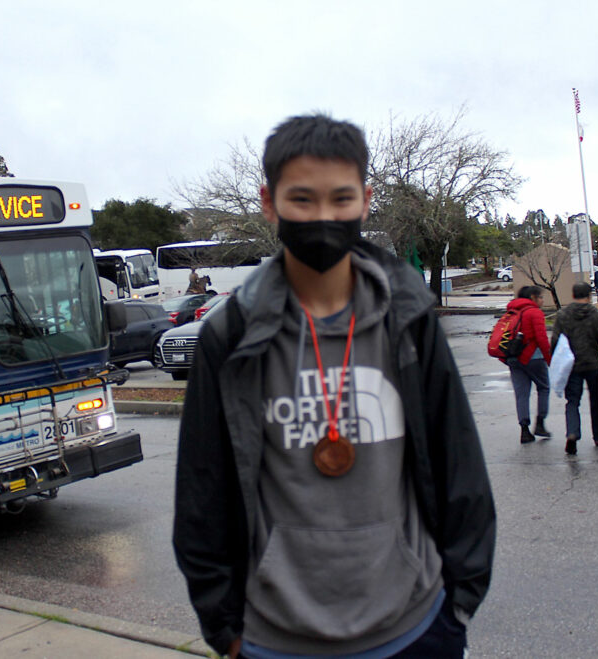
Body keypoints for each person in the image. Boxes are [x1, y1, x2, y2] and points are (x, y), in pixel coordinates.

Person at [173, 114, 495, 658]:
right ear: (268, 203)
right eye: (302, 199)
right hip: (274, 642)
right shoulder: (231, 336)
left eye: (341, 198)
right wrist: (225, 629)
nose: (324, 216)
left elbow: (458, 463)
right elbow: (203, 494)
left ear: (366, 200)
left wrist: (458, 604)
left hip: (417, 630)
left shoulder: (409, 319)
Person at [550, 283, 598, 455]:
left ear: (573, 295)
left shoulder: (562, 315)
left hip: (571, 365)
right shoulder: (597, 314)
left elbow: (554, 341)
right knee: (597, 401)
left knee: (572, 401)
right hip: (593, 363)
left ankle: (573, 433)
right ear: (589, 296)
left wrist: (555, 361)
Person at [506, 285, 553, 444]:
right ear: (533, 297)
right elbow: (541, 339)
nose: (542, 300)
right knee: (544, 387)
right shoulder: (535, 313)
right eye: (540, 297)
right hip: (534, 357)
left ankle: (524, 430)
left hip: (513, 358)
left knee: (522, 394)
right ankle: (540, 423)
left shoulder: (511, 312)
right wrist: (549, 359)